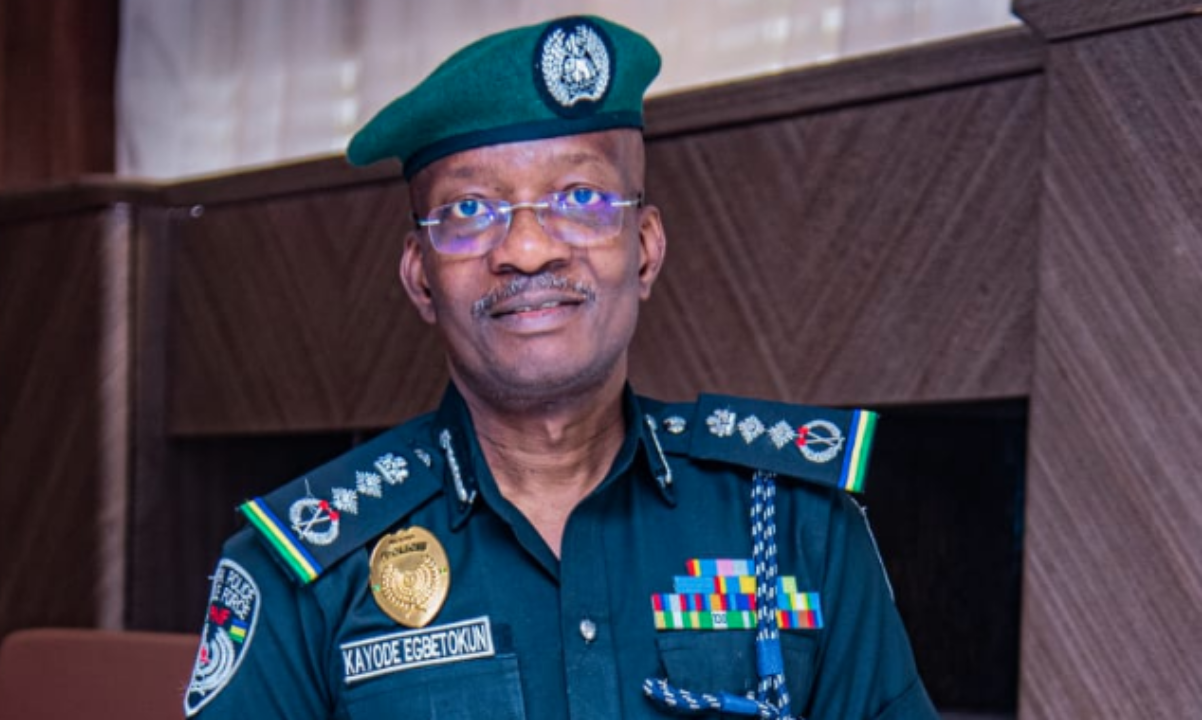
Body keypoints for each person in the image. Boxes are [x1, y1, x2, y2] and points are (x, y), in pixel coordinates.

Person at [183, 15, 937, 720]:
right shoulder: (307, 569)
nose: (527, 249)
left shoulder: (796, 522)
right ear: (420, 278)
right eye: (470, 210)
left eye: (580, 196)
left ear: (645, 249)